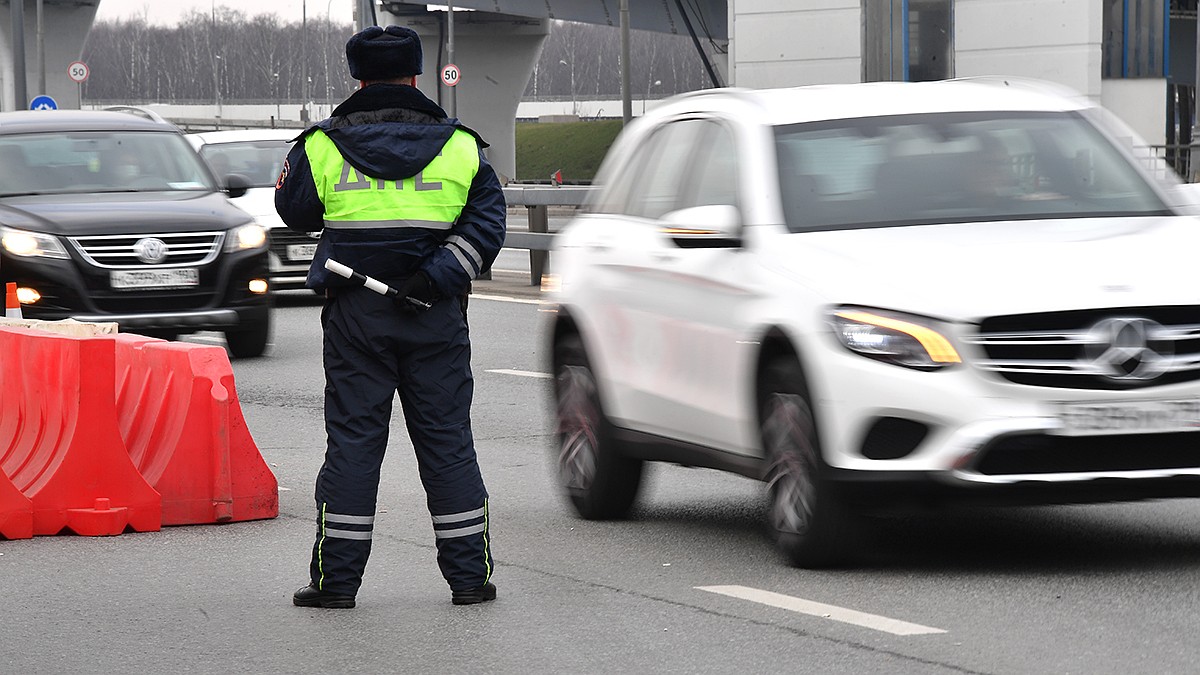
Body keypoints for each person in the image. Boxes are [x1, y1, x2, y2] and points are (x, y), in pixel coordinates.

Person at [275, 24, 506, 608]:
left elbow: (295, 211)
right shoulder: (460, 146)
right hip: (435, 314)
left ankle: (336, 584)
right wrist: (432, 277)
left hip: (355, 314)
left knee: (353, 442)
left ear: (357, 76)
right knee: (448, 441)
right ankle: (469, 580)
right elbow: (486, 230)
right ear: (417, 73)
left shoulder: (322, 145)